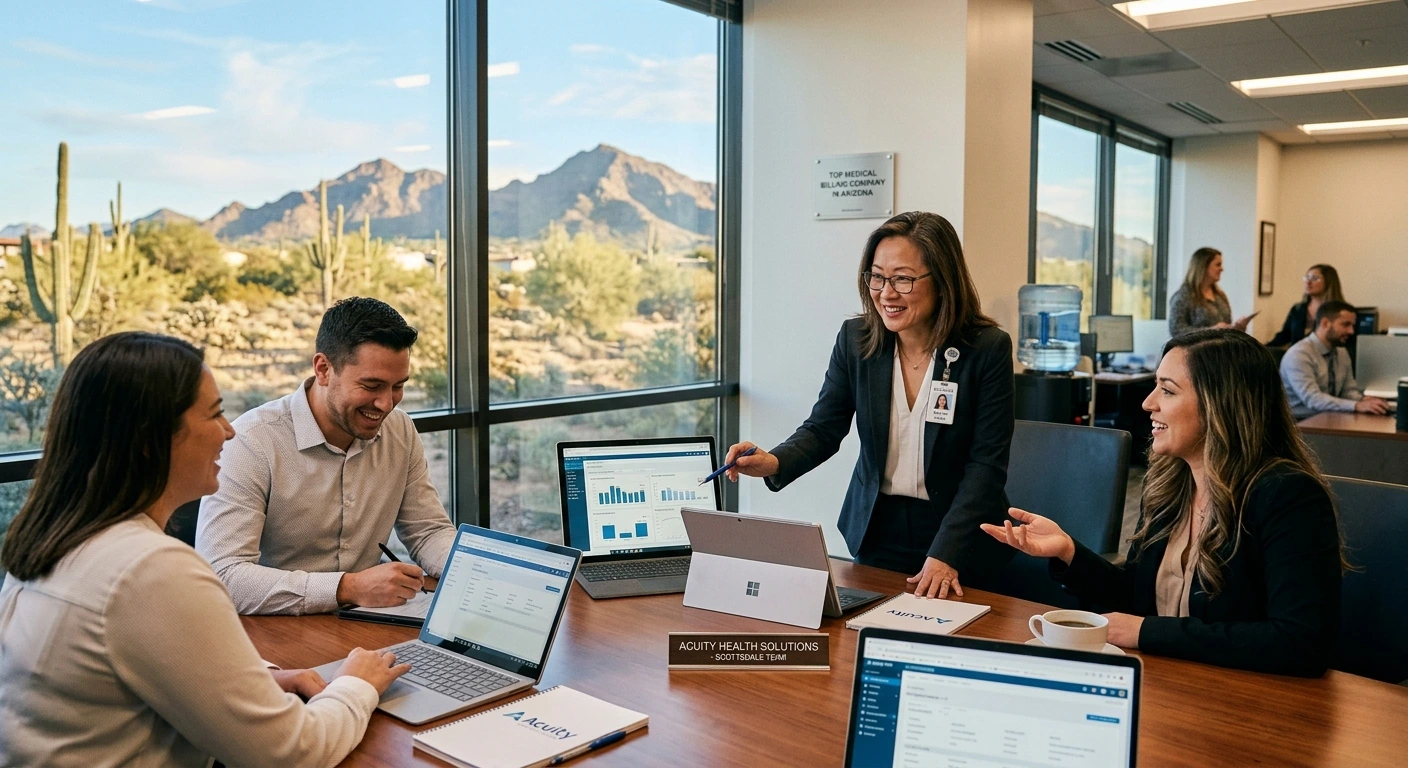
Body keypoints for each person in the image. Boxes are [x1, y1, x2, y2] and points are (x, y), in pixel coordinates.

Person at [0, 332, 410, 767]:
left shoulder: (57, 541)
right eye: (214, 414)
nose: (229, 431)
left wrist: (255, 681)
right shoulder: (152, 570)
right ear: (151, 439)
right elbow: (293, 753)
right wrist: (356, 684)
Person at [982, 329, 1343, 677]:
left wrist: (1146, 633)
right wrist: (1068, 552)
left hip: (1246, 702)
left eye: (1167, 391)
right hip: (1169, 680)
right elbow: (1138, 597)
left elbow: (1300, 643)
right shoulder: (1171, 485)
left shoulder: (1289, 496)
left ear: (1220, 404)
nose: (1147, 402)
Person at [724, 211, 1015, 599]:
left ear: (943, 281)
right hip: (878, 528)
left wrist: (947, 553)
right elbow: (824, 428)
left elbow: (986, 466)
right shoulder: (857, 340)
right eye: (877, 277)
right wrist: (773, 462)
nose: (886, 293)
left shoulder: (986, 349)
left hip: (961, 534)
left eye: (903, 279)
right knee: (867, 639)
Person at [197, 297, 457, 615]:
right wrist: (347, 587)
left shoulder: (399, 430)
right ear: (323, 369)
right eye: (371, 385)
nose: (387, 404)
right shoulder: (252, 442)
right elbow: (224, 577)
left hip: (365, 624)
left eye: (397, 386)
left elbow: (427, 530)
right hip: (273, 631)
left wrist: (478, 573)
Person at [1280, 300, 1390, 419]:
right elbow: (1313, 400)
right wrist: (1356, 405)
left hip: (1330, 418)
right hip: (1299, 424)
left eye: (1352, 326)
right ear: (1325, 323)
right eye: (1346, 325)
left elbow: (1348, 391)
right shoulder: (1299, 354)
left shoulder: (1341, 352)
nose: (1351, 331)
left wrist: (1364, 400)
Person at [1167, 247, 1256, 337]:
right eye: (1218, 265)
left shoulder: (1220, 295)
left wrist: (1237, 328)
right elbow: (1176, 330)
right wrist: (1211, 330)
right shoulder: (1183, 296)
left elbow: (1226, 326)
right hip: (1198, 350)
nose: (1222, 269)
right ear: (1203, 266)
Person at [1268, 264, 1345, 347]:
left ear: (1329, 282)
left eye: (1314, 278)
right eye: (1307, 278)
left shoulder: (1341, 312)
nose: (1308, 282)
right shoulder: (1298, 309)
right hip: (1299, 356)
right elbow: (1285, 335)